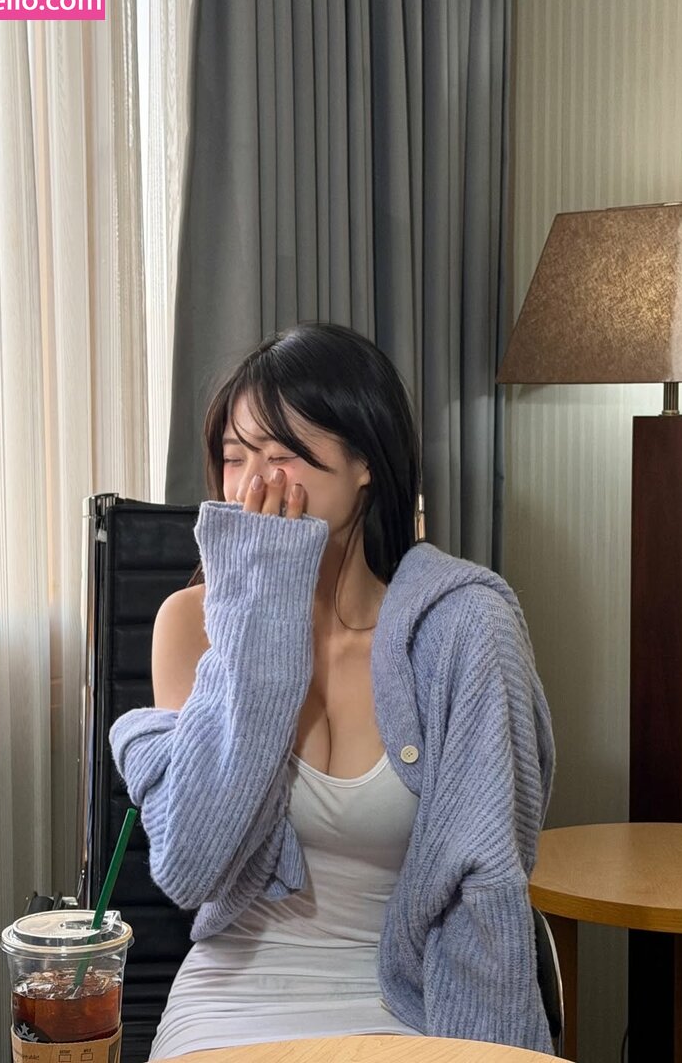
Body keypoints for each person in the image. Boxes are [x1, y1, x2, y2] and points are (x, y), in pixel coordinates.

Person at [110, 322, 556, 1060]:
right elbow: (191, 866)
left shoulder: (465, 629)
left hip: (417, 998)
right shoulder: (190, 624)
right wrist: (257, 618)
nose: (252, 486)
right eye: (234, 458)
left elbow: (489, 884)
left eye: (282, 454)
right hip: (233, 998)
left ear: (365, 463)